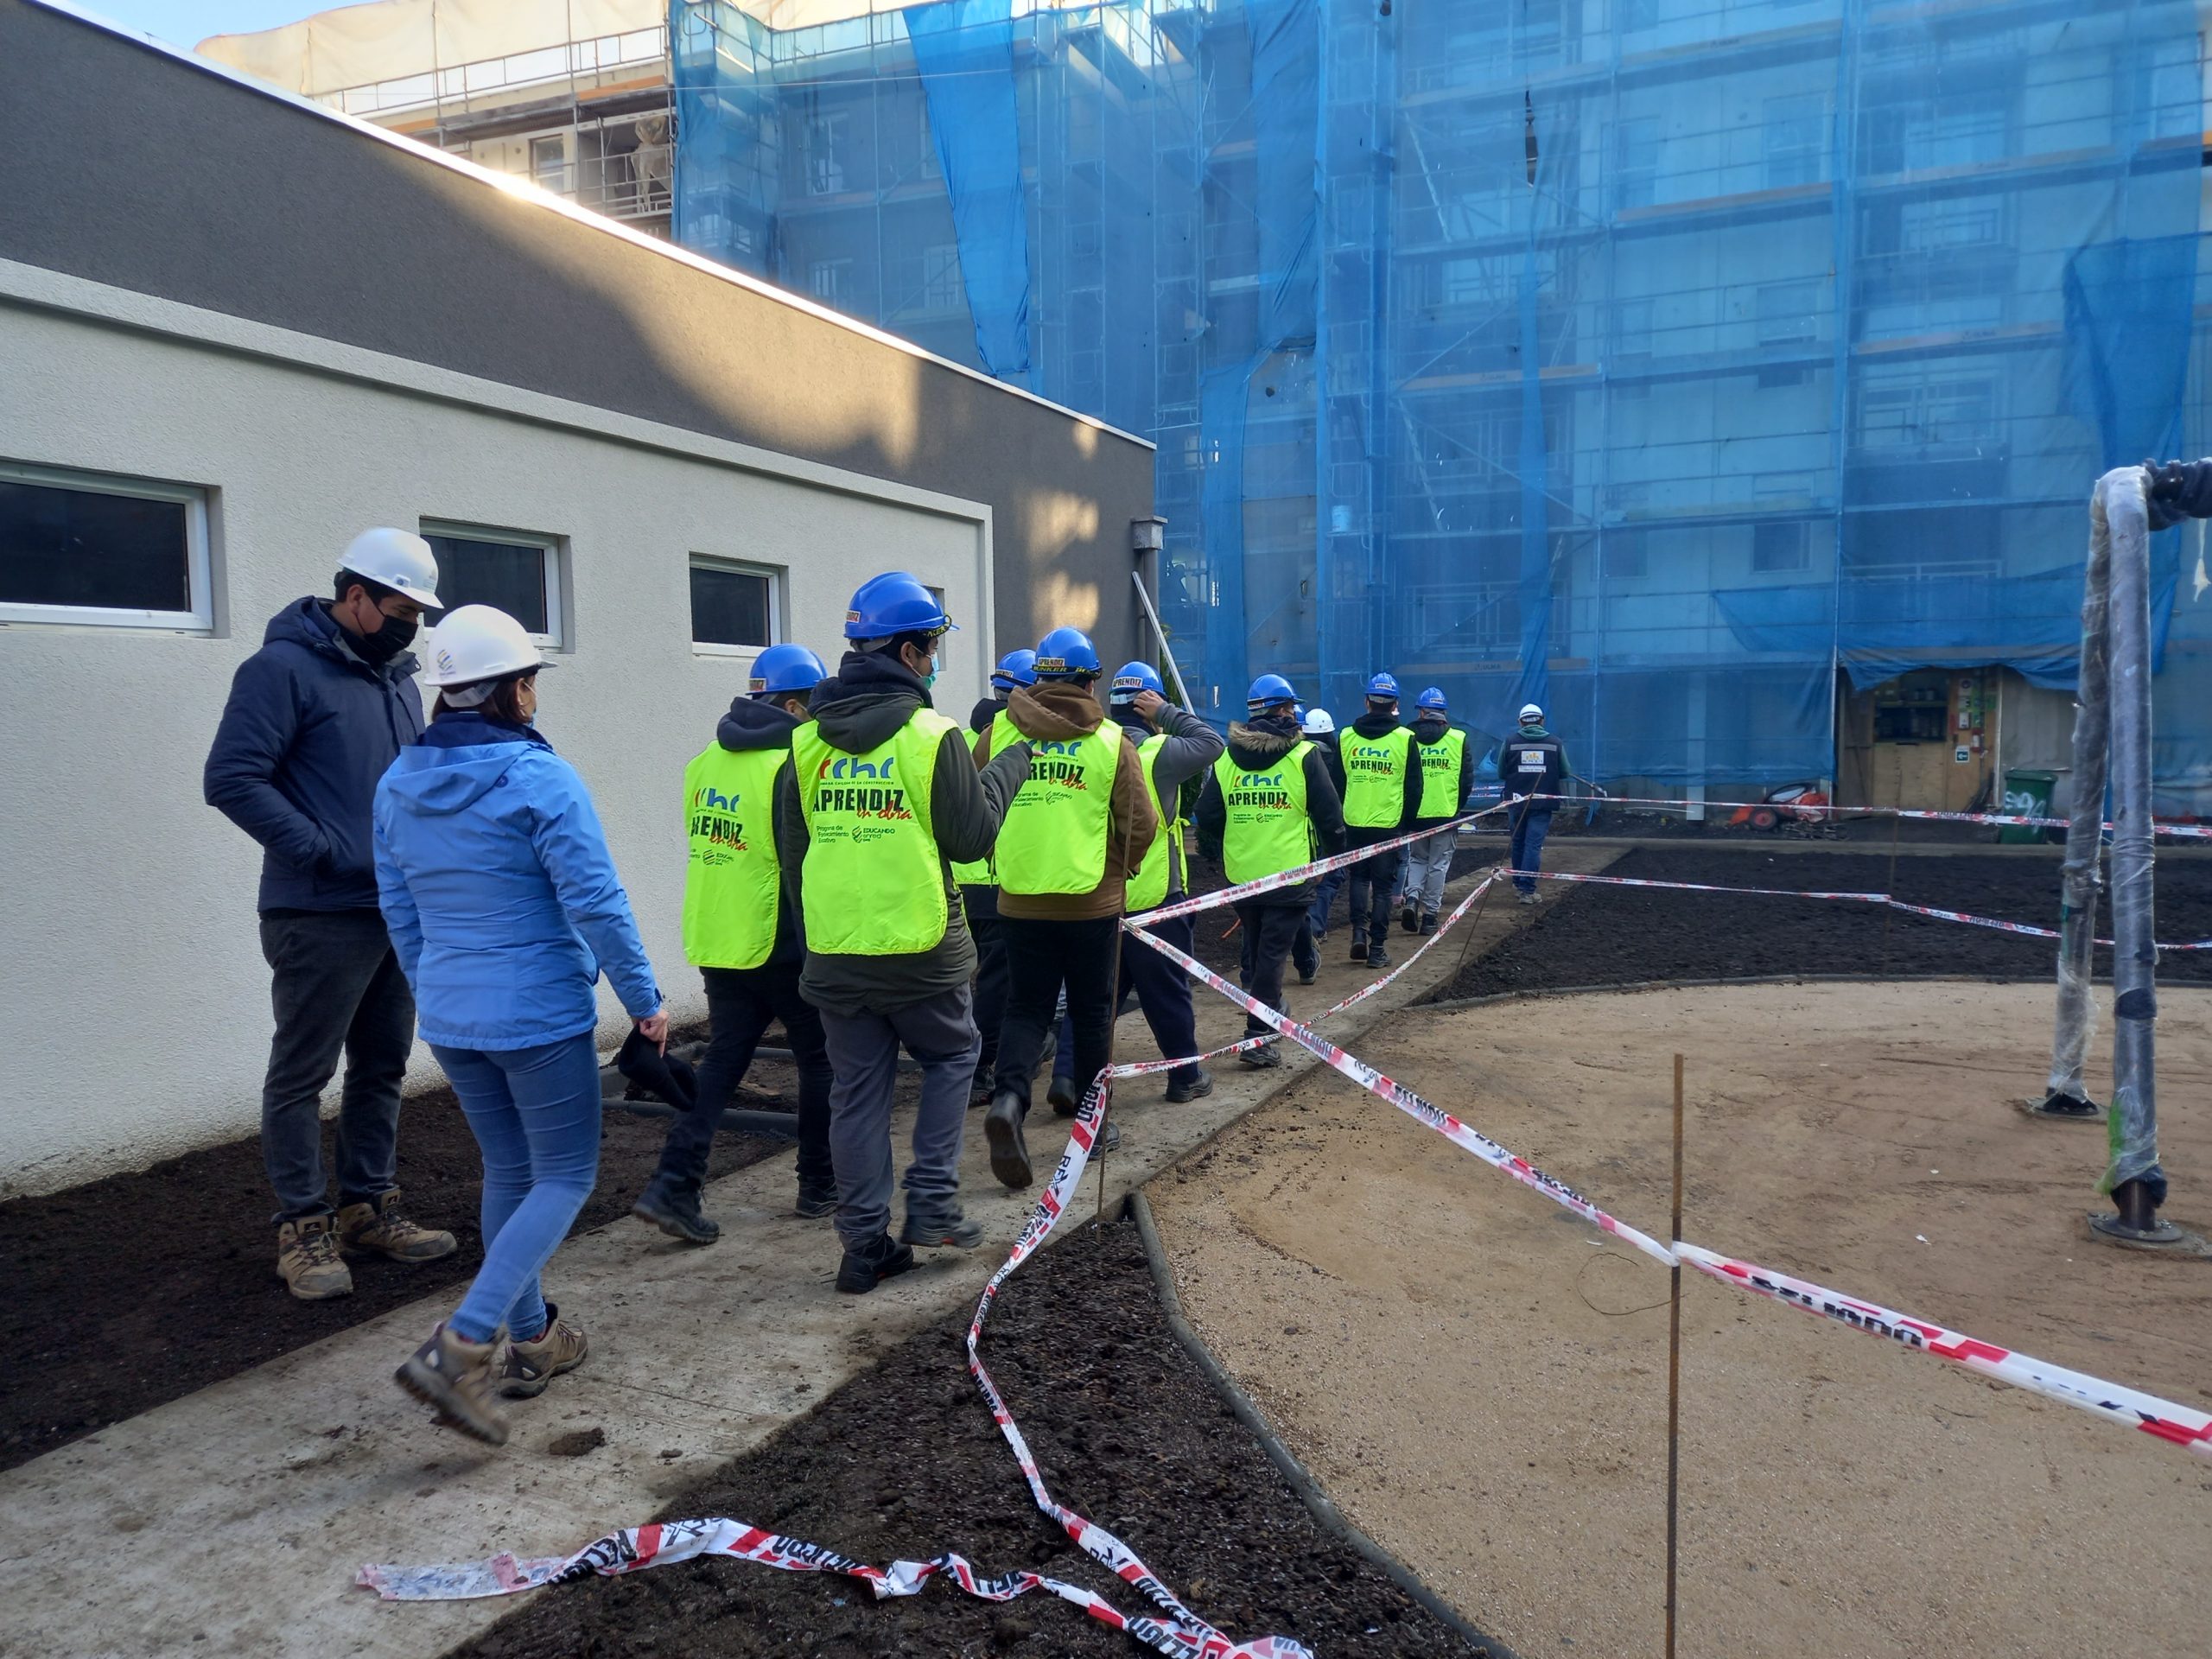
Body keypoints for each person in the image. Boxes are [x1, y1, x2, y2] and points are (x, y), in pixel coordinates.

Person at [377, 606, 664, 1446]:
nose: (534, 692)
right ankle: (462, 1344)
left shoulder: (398, 783)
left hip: (454, 1017)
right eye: (528, 677)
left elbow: (401, 910)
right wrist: (643, 998)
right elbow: (597, 903)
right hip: (537, 1013)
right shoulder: (542, 780)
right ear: (510, 690)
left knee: (510, 1168)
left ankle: (534, 1342)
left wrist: (435, 990)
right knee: (566, 1175)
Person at [204, 528, 457, 1301]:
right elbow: (232, 778)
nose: (411, 622)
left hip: (393, 911)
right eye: (399, 606)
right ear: (354, 596)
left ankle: (368, 1207)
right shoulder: (281, 670)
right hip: (317, 912)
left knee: (382, 1066)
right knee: (301, 1075)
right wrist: (324, 849)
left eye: (419, 611)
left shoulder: (397, 682)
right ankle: (302, 1230)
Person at [778, 573, 1032, 1293]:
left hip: (835, 954)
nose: (935, 660)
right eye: (934, 647)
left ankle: (863, 1247)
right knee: (954, 1056)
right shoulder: (933, 737)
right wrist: (1014, 760)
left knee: (856, 1094)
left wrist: (816, 943)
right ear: (913, 653)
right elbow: (972, 837)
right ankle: (932, 1204)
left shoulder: (804, 747)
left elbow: (795, 859)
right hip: (921, 951)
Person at [633, 642, 836, 1245]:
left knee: (724, 1059)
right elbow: (802, 861)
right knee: (820, 1060)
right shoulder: (792, 766)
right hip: (778, 937)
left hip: (718, 936)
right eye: (814, 711)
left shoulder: (705, 762)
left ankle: (675, 1181)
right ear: (795, 705)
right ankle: (817, 1184)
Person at [982, 628, 1158, 1189]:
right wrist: (1118, 870)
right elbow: (1141, 824)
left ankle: (1009, 1100)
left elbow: (977, 803)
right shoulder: (1110, 741)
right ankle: (1094, 1121)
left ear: (1040, 677)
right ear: (1090, 681)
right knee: (1089, 1011)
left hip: (1020, 899)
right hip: (1091, 905)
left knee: (1026, 1007)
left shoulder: (997, 734)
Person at [1196, 675, 1344, 1069]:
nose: (1295, 713)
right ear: (1282, 710)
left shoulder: (1227, 758)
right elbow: (1330, 817)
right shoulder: (1304, 755)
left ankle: (1270, 1007)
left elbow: (1208, 814)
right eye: (1291, 707)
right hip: (1288, 873)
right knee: (1273, 955)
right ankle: (1258, 1036)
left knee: (1260, 945)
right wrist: (1334, 856)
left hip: (1242, 872)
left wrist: (1242, 830)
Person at [1107, 660, 1224, 1103]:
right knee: (1168, 993)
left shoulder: (1095, 748)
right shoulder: (1160, 754)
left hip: (1099, 899)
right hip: (1157, 896)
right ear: (1147, 703)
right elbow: (1211, 743)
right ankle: (1185, 1076)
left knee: (1098, 1000)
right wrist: (1167, 713)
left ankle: (1067, 1079)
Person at [954, 648, 1037, 1105]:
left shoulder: (969, 735)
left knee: (974, 978)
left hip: (962, 879)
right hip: (993, 876)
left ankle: (973, 1061)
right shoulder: (1012, 737)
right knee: (997, 981)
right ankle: (980, 1067)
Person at [1336, 671, 1422, 969]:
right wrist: (1407, 824)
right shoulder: (1405, 739)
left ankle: (1358, 933)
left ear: (1367, 702)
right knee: (1384, 888)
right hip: (1389, 824)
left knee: (1358, 880)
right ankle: (1377, 948)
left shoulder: (1346, 736)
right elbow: (1414, 786)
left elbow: (1337, 781)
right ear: (1395, 704)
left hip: (1354, 821)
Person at [1399, 686, 1475, 935]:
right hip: (1445, 812)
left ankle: (1411, 899)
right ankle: (1429, 916)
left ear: (1421, 712)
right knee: (1438, 865)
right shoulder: (1458, 738)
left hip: (1416, 814)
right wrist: (1456, 805)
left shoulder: (1407, 737)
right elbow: (1466, 780)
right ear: (1443, 713)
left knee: (1417, 859)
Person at [1499, 701, 1570, 905]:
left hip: (1516, 802)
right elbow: (1565, 771)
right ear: (1542, 721)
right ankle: (1527, 890)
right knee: (1533, 845)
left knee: (1519, 841)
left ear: (1520, 722)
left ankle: (1517, 882)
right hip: (1543, 802)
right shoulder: (1555, 743)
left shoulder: (1510, 742)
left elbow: (1502, 772)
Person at [1296, 705, 1339, 976]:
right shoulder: (1333, 758)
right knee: (1328, 880)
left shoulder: (1296, 756)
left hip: (1296, 831)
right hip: (1320, 829)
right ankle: (1314, 930)